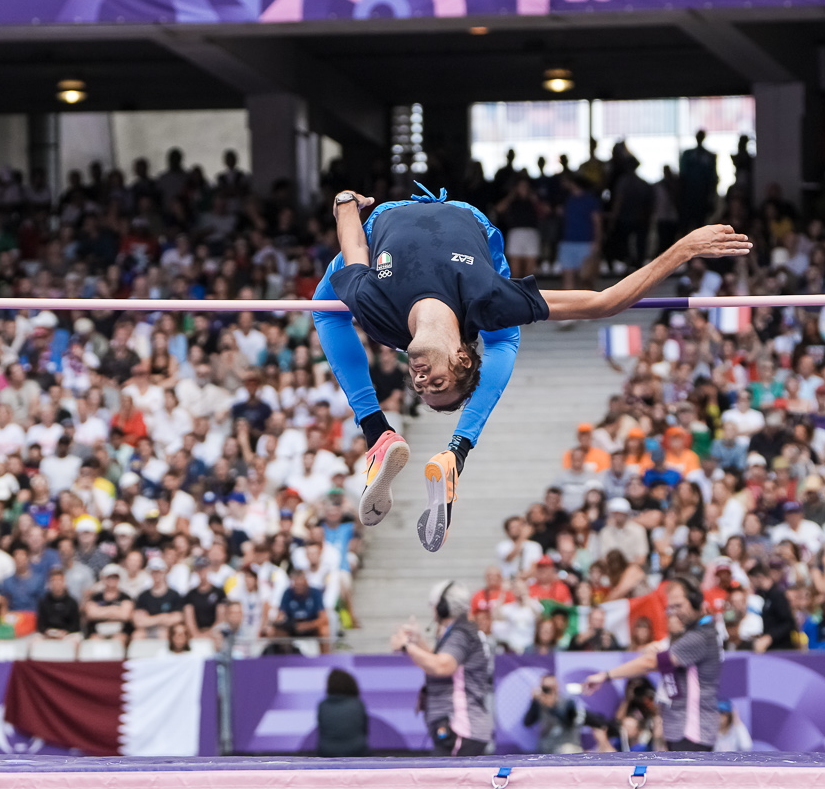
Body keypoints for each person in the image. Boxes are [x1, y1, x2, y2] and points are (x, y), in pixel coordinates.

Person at [311, 187, 747, 553]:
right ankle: (456, 451)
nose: (421, 380)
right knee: (504, 334)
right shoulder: (490, 299)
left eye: (421, 385)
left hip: (386, 222)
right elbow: (605, 302)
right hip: (468, 223)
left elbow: (353, 242)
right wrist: (684, 248)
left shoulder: (375, 312)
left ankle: (377, 432)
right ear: (463, 358)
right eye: (437, 382)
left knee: (324, 306)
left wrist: (346, 203)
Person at [582, 577, 724, 750]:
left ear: (695, 602)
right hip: (680, 730)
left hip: (693, 733)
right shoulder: (694, 634)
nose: (674, 613)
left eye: (678, 606)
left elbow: (650, 663)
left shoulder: (700, 637)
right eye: (670, 608)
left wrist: (606, 675)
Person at [396, 581, 494, 755]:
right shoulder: (457, 631)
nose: (432, 609)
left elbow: (442, 666)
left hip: (460, 728)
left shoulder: (461, 633)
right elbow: (437, 661)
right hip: (458, 728)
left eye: (433, 604)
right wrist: (418, 641)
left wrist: (406, 646)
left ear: (443, 606)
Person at [524, 673, 607, 752]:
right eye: (546, 688)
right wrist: (534, 702)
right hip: (547, 749)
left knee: (567, 749)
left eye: (551, 687)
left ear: (557, 686)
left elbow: (569, 723)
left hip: (568, 747)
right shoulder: (539, 704)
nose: (549, 691)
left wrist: (552, 707)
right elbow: (527, 722)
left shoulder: (568, 702)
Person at [316, 668, 370, 757]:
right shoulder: (358, 704)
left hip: (327, 752)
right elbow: (365, 731)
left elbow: (321, 731)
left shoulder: (322, 705)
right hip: (357, 750)